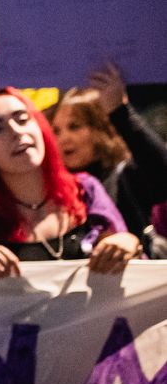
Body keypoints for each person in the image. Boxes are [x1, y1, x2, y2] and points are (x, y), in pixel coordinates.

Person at [0, 89, 139, 277]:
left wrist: (127, 243)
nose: (16, 131)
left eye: (22, 119)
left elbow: (133, 270)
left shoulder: (86, 190)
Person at [51, 61, 167, 252]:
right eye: (56, 131)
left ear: (102, 128)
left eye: (74, 126)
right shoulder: (56, 187)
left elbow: (162, 173)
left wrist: (119, 112)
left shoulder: (127, 175)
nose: (62, 139)